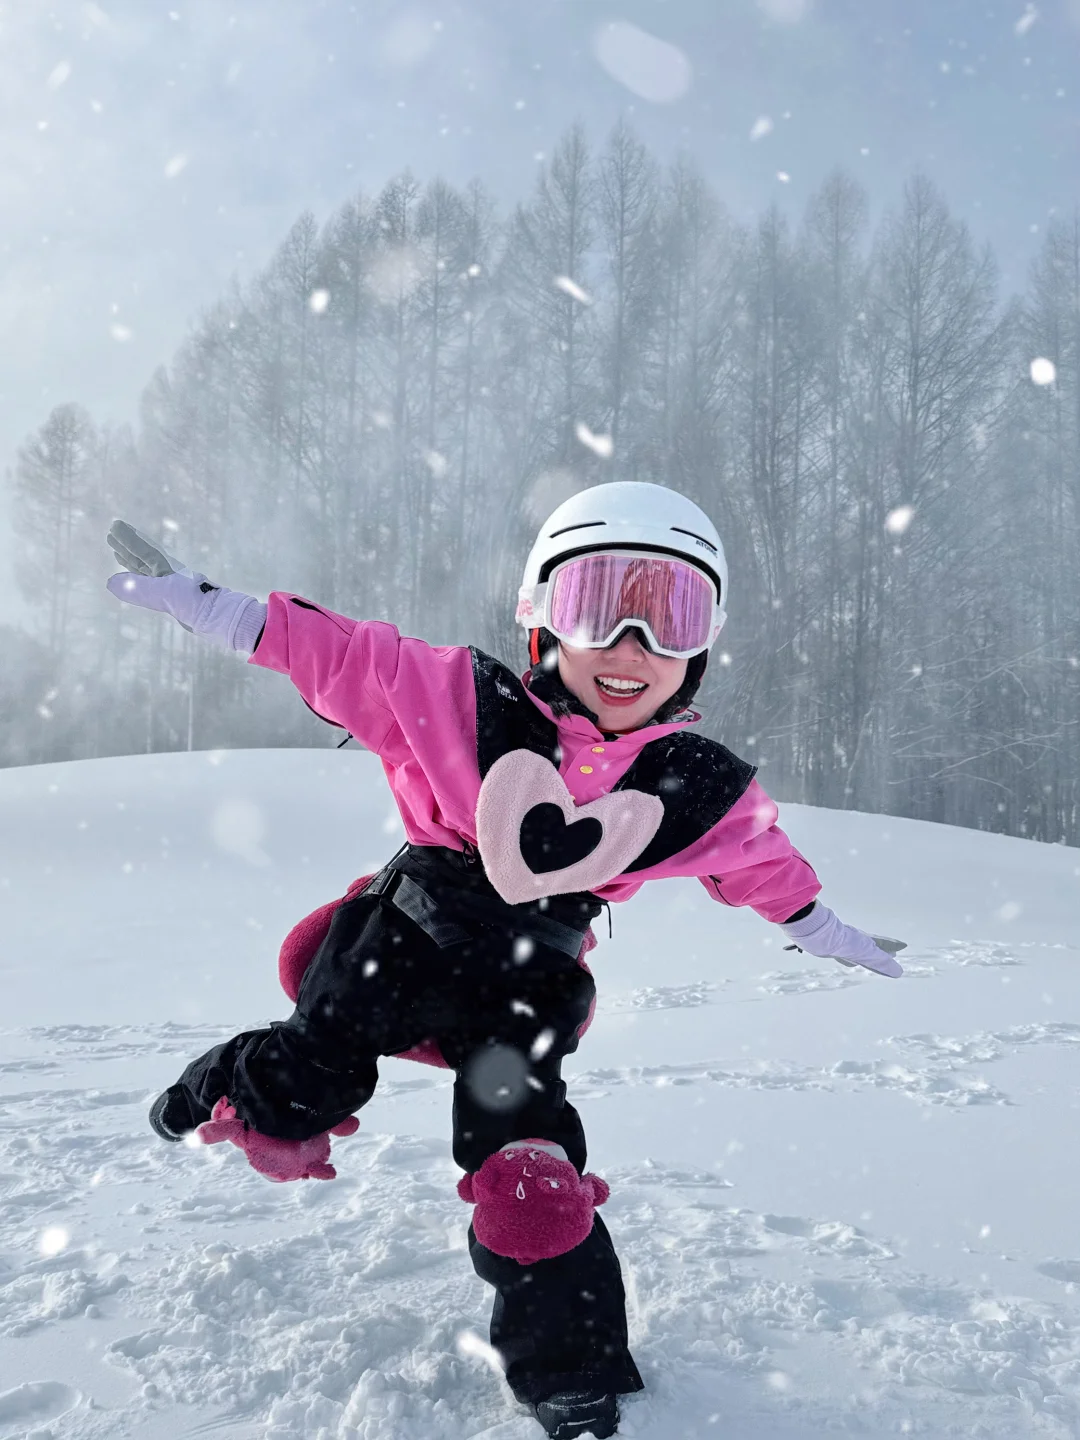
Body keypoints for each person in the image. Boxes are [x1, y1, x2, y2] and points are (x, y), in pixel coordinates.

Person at [105, 482, 904, 1440]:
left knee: (532, 1174)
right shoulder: (457, 701)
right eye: (598, 606)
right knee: (302, 1086)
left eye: (672, 616)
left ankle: (569, 1366)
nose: (630, 648)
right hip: (399, 940)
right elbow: (340, 655)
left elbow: (762, 865)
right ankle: (225, 1077)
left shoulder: (692, 788)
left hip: (527, 990)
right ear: (542, 621)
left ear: (703, 644)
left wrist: (825, 931)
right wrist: (215, 607)